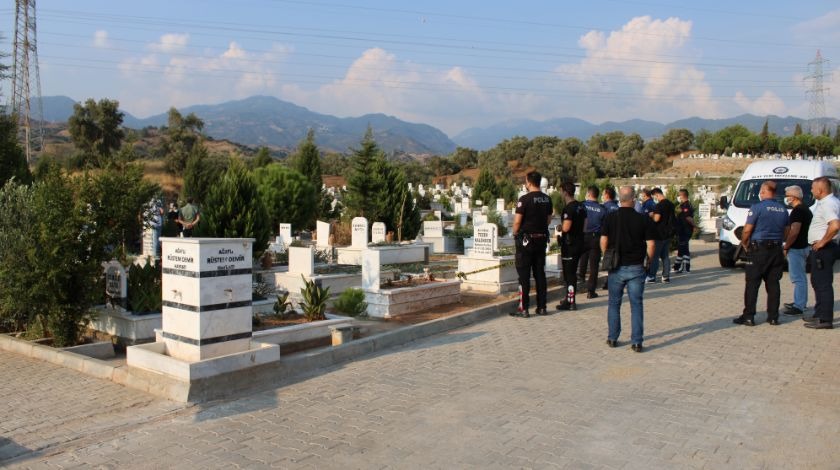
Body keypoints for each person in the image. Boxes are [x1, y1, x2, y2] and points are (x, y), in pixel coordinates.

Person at [600, 186, 656, 352]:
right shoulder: (643, 219)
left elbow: (603, 240)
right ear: (633, 199)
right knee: (636, 305)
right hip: (636, 267)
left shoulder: (610, 217)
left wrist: (607, 256)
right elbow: (651, 244)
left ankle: (612, 337)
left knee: (614, 304)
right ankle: (637, 341)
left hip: (616, 267)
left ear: (620, 199)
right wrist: (648, 261)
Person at [733, 181, 789, 327]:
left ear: (763, 191)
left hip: (758, 250)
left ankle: (749, 316)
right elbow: (787, 231)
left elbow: (746, 230)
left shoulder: (757, 207)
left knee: (752, 284)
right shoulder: (782, 209)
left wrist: (745, 243)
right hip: (776, 249)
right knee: (773, 284)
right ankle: (773, 317)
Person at [510, 171, 553, 318]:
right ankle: (542, 307)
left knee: (524, 275)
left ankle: (524, 308)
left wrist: (515, 233)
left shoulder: (524, 199)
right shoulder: (547, 199)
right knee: (540, 274)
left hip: (526, 242)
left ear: (528, 182)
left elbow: (517, 221)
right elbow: (548, 219)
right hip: (541, 240)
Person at [803, 177, 840, 330]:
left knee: (823, 284)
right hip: (821, 249)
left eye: (812, 188)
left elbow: (835, 225)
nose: (811, 191)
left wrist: (822, 242)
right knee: (817, 282)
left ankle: (825, 319)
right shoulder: (828, 202)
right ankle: (819, 313)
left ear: (820, 189)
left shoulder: (829, 204)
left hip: (824, 249)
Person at [781, 185, 812, 316]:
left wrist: (786, 246)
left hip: (797, 248)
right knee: (800, 277)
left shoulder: (798, 211)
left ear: (793, 197)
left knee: (798, 278)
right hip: (805, 246)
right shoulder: (806, 209)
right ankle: (799, 301)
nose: (785, 198)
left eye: (787, 196)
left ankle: (799, 306)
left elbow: (795, 231)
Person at [556, 181, 587, 311]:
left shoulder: (569, 208)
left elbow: (566, 227)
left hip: (569, 245)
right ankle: (570, 299)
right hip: (579, 242)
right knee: (572, 273)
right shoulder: (581, 206)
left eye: (561, 191)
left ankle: (570, 302)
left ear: (565, 192)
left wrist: (559, 227)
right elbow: (585, 225)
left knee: (569, 274)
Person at [578, 185, 606, 299]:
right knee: (594, 266)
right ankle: (591, 291)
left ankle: (580, 279)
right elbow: (605, 227)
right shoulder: (602, 209)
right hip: (596, 238)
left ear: (588, 194)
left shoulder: (582, 205)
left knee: (583, 258)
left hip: (583, 237)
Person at [646, 187, 675, 283]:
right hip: (668, 233)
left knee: (655, 256)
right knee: (665, 256)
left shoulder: (659, 206)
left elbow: (656, 219)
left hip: (659, 234)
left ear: (657, 194)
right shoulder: (671, 204)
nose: (655, 198)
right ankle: (666, 276)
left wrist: (651, 215)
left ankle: (651, 276)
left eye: (655, 197)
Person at [673, 189, 696, 273]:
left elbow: (688, 217)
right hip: (684, 230)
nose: (678, 197)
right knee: (682, 248)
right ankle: (678, 266)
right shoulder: (685, 204)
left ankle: (685, 267)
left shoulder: (685, 205)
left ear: (682, 196)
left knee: (684, 248)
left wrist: (695, 226)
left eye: (679, 195)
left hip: (684, 230)